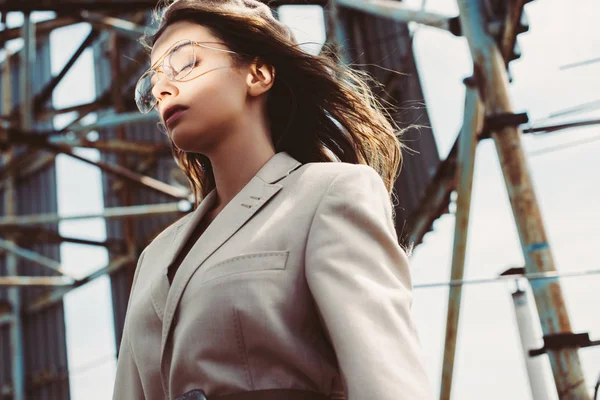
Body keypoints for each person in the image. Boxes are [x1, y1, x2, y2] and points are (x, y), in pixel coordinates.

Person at [113, 0, 433, 399]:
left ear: (258, 74)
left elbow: (387, 382)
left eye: (186, 63)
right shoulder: (155, 256)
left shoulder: (329, 194)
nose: (162, 88)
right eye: (153, 81)